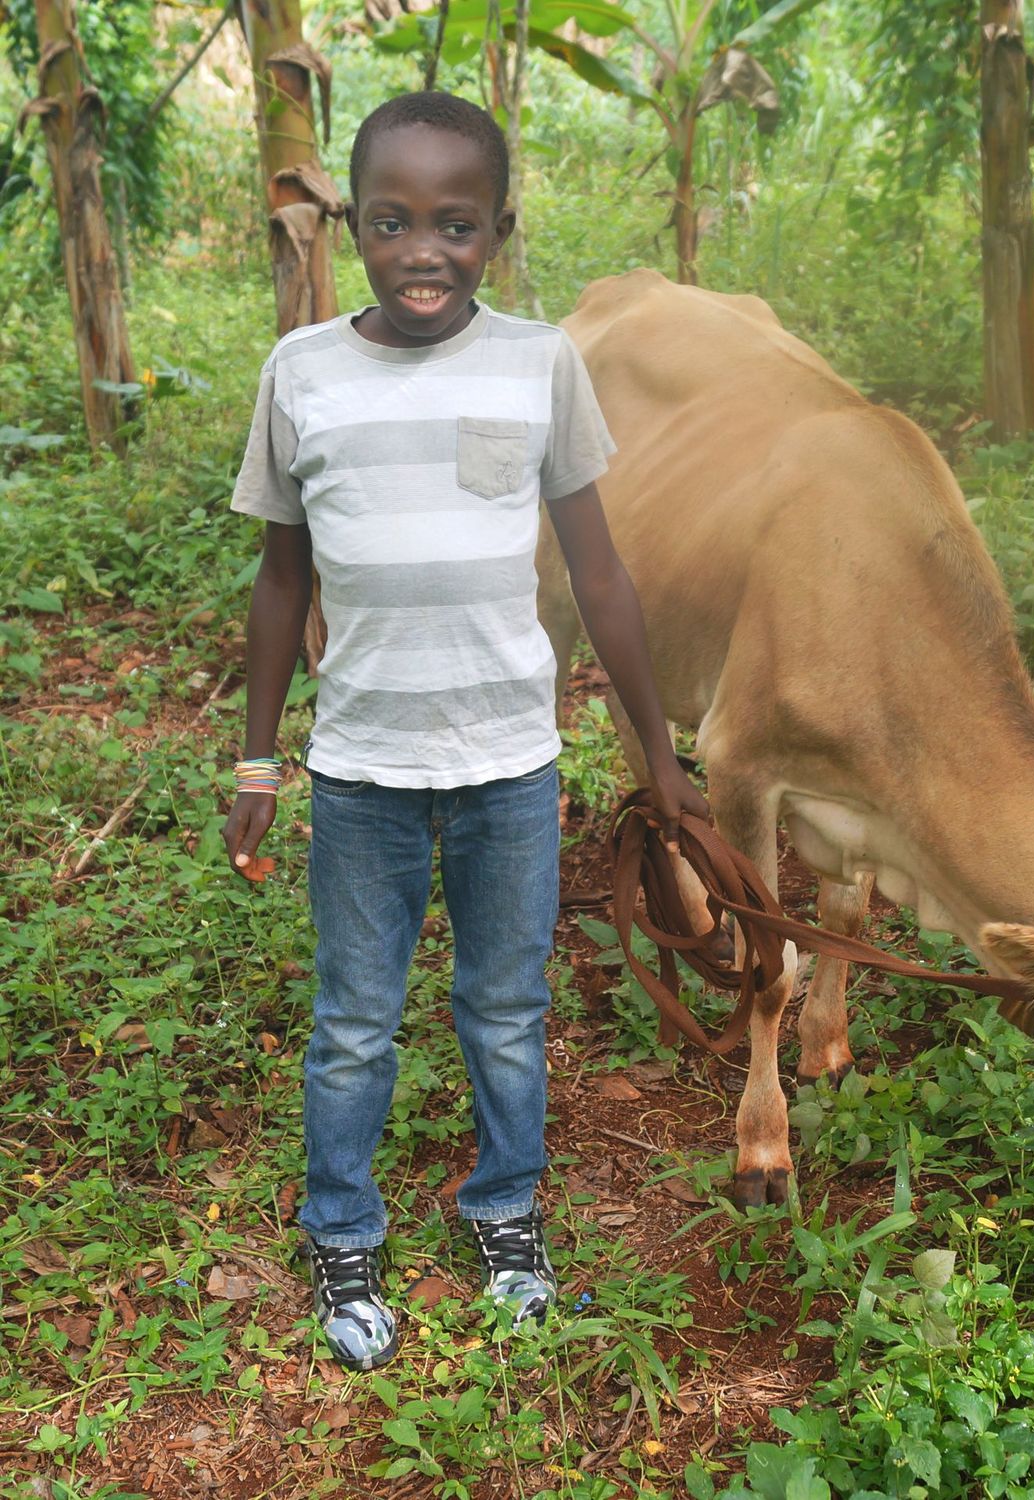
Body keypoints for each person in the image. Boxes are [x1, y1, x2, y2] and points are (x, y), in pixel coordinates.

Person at [222, 90, 707, 1371]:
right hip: (365, 771)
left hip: (508, 768)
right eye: (390, 222)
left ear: (498, 227)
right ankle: (343, 1233)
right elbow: (282, 581)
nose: (421, 250)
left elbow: (600, 576)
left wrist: (662, 757)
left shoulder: (539, 360)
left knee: (503, 1009)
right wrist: (260, 757)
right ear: (352, 226)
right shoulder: (303, 373)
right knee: (355, 1022)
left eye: (455, 223)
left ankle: (505, 1217)